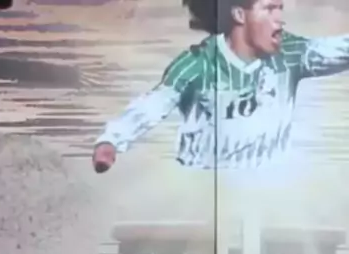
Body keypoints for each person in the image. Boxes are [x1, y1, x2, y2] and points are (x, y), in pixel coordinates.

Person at [92, 0, 349, 172]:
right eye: (269, 9)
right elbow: (153, 104)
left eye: (280, 9)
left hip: (269, 192)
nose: (279, 20)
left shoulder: (290, 54)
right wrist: (111, 141)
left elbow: (338, 50)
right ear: (239, 15)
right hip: (203, 187)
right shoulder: (197, 64)